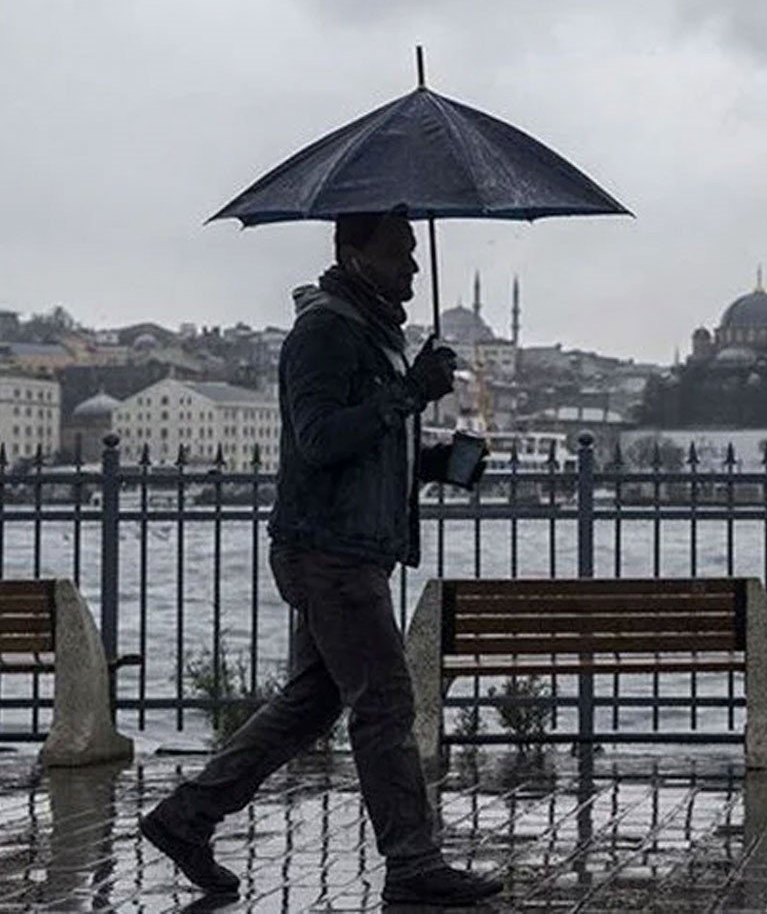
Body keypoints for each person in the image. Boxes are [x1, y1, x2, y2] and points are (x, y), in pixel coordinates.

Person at [140, 208, 502, 906]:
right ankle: (412, 862)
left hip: (353, 547)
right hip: (328, 551)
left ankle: (186, 818)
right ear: (355, 253)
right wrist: (409, 393)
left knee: (312, 703)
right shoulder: (325, 331)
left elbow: (368, 448)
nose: (414, 268)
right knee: (385, 701)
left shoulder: (372, 334)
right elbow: (318, 439)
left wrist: (439, 462)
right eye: (400, 253)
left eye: (414, 253)